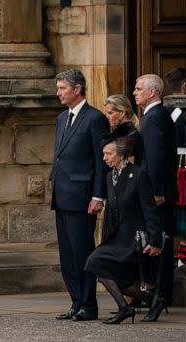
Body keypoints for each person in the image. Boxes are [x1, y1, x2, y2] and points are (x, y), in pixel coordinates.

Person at [51, 69, 109, 321]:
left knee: (82, 251)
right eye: (58, 88)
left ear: (77, 89)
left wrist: (98, 196)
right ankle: (76, 301)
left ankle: (89, 303)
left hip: (82, 196)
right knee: (67, 255)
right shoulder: (62, 118)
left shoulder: (95, 118)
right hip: (62, 195)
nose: (58, 92)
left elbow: (100, 161)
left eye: (62, 88)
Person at [85, 136, 162, 324]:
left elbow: (149, 210)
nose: (104, 158)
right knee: (98, 266)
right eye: (104, 154)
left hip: (134, 239)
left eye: (108, 154)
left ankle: (129, 307)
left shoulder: (138, 175)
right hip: (117, 238)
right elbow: (111, 213)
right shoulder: (108, 177)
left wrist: (155, 240)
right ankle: (150, 300)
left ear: (121, 155)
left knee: (95, 263)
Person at [133, 74, 177, 321]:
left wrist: (157, 191)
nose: (135, 92)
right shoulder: (156, 116)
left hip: (157, 193)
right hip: (158, 190)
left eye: (139, 89)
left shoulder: (153, 118)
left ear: (152, 92)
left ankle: (159, 296)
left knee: (159, 245)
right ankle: (159, 295)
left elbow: (156, 159)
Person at [165, 67, 186, 267]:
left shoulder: (162, 111)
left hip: (169, 169)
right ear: (185, 85)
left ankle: (181, 263)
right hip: (184, 170)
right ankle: (183, 264)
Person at [103, 95, 143, 166]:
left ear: (122, 113)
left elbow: (129, 169)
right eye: (106, 113)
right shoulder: (121, 133)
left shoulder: (130, 136)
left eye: (110, 113)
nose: (107, 117)